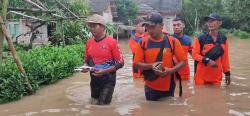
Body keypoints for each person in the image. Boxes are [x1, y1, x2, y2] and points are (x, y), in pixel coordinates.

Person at [134, 13, 186, 101]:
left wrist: (171, 70)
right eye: (147, 27)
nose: (149, 30)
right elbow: (136, 63)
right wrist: (152, 66)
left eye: (152, 27)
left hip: (169, 85)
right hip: (150, 85)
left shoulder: (173, 41)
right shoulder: (142, 42)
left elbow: (183, 61)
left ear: (162, 26)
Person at [82, 14, 124, 105]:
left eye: (95, 26)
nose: (92, 29)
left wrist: (104, 71)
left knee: (102, 107)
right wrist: (85, 67)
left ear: (102, 27)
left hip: (108, 80)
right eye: (91, 26)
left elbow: (120, 62)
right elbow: (86, 60)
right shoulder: (89, 42)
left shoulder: (112, 42)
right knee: (93, 103)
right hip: (94, 80)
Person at [192, 13, 231, 86]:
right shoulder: (201, 38)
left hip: (216, 77)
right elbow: (194, 55)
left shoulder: (224, 39)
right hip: (201, 77)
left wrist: (227, 73)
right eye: (208, 21)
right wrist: (207, 60)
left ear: (220, 22)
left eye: (212, 21)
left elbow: (225, 58)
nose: (209, 23)